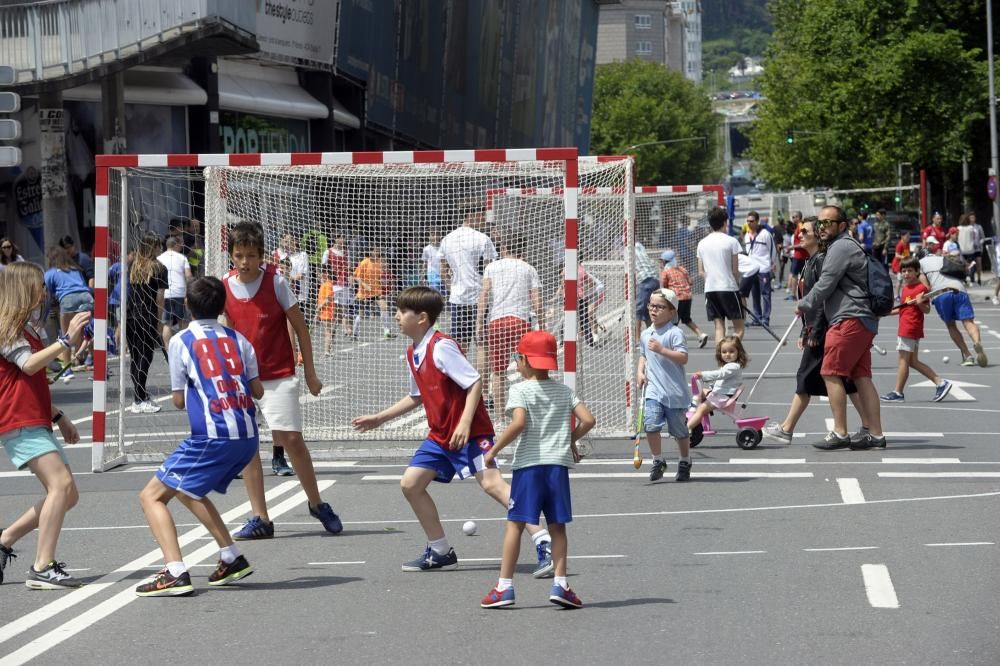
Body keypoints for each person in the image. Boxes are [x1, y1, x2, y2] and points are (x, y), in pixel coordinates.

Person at [352, 286, 554, 576]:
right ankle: (440, 551)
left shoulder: (442, 346)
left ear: (422, 318)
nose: (396, 316)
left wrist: (464, 422)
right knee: (411, 484)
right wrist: (379, 418)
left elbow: (474, 382)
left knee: (492, 485)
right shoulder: (413, 351)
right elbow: (416, 396)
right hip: (440, 435)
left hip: (470, 433)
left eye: (401, 312)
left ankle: (543, 541)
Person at [134, 277, 264, 597]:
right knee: (184, 489)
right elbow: (258, 390)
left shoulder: (181, 340)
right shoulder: (239, 339)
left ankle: (175, 570)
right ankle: (230, 555)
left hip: (213, 433)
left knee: (151, 496)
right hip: (248, 435)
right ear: (223, 307)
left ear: (187, 306)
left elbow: (178, 400)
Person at [222, 222, 343, 537]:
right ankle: (261, 518)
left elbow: (301, 328)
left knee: (291, 440)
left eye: (251, 255)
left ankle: (317, 503)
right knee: (248, 447)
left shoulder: (276, 283)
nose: (245, 261)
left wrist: (311, 373)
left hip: (278, 374)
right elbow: (223, 330)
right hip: (242, 379)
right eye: (239, 255)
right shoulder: (223, 286)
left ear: (262, 256)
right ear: (231, 256)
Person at [479, 330, 595, 610]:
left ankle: (504, 587)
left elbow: (518, 423)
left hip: (529, 467)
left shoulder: (520, 390)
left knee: (515, 525)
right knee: (558, 527)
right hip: (557, 467)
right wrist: (569, 440)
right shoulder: (564, 391)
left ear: (526, 361)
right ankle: (561, 583)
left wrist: (493, 451)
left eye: (518, 358)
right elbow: (589, 420)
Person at [0, 262, 89, 589]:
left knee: (68, 494)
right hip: (17, 419)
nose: (45, 293)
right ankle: (42, 566)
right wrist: (64, 341)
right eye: (39, 286)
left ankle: (5, 539)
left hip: (33, 417)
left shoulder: (28, 328)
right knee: (61, 486)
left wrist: (59, 416)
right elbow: (28, 365)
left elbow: (34, 381)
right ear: (23, 289)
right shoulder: (5, 327)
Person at [763, 217, 869, 445]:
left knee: (805, 378)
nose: (799, 235)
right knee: (845, 382)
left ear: (817, 237)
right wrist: (804, 330)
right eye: (799, 231)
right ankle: (869, 426)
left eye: (805, 231)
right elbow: (809, 302)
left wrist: (815, 332)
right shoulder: (809, 262)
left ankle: (786, 429)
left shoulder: (821, 261)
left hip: (824, 330)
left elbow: (823, 301)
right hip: (815, 329)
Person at [796, 206, 886, 451]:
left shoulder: (841, 247)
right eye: (821, 222)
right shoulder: (847, 246)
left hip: (849, 319)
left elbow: (825, 283)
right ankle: (875, 434)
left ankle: (840, 432)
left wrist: (803, 305)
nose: (823, 226)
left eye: (829, 222)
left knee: (830, 372)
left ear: (842, 225)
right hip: (861, 319)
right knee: (861, 377)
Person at [477, 234, 543, 422]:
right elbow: (537, 302)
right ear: (524, 250)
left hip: (496, 322)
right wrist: (542, 325)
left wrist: (479, 322)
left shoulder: (491, 267)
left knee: (498, 371)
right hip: (520, 322)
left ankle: (499, 417)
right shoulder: (529, 269)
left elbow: (484, 295)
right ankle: (526, 413)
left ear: (504, 247)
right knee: (528, 369)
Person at [439, 200, 497, 396]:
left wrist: (452, 286)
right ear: (471, 215)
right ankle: (483, 392)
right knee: (482, 344)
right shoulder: (482, 239)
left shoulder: (447, 239)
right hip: (480, 298)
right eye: (481, 215)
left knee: (461, 345)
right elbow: (490, 270)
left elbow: (443, 269)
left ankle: (463, 390)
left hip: (458, 298)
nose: (483, 219)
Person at [879, 257, 953, 403]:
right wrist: (884, 314)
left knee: (903, 361)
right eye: (904, 271)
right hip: (907, 326)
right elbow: (902, 310)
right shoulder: (906, 288)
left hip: (910, 328)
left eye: (910, 271)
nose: (906, 274)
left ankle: (898, 393)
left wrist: (920, 303)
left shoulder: (921, 289)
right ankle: (940, 383)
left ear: (917, 272)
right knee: (912, 361)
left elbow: (926, 310)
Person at [638, 288, 692, 482]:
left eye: (660, 307)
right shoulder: (646, 334)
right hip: (654, 389)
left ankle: (684, 460)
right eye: (652, 305)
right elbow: (644, 355)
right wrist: (640, 372)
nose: (654, 310)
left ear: (671, 311)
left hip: (675, 392)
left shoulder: (674, 333)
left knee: (679, 431)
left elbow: (683, 357)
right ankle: (658, 460)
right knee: (651, 425)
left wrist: (662, 349)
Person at [918, 250, 988, 368]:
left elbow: (926, 287)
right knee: (968, 322)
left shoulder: (920, 264)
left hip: (941, 294)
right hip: (959, 289)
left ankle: (968, 355)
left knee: (951, 325)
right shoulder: (943, 258)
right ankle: (977, 342)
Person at [125, 233, 167, 414]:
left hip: (130, 315)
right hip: (146, 315)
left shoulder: (134, 265)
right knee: (145, 356)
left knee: (136, 356)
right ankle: (139, 398)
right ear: (154, 247)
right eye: (159, 245)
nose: (161, 248)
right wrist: (157, 320)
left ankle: (139, 396)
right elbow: (160, 297)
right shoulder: (158, 267)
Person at [43, 246, 94, 378]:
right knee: (87, 332)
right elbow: (83, 285)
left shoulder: (51, 273)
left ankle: (67, 370)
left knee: (65, 336)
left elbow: (46, 296)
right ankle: (89, 358)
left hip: (68, 300)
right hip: (86, 297)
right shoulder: (75, 269)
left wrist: (45, 315)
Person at [697, 207, 745, 343]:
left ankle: (721, 358)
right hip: (729, 287)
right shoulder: (731, 241)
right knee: (739, 329)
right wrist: (738, 289)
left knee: (719, 328)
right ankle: (731, 354)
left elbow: (701, 272)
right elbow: (735, 270)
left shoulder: (702, 243)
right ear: (725, 222)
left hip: (710, 289)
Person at [686, 335, 747, 432]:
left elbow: (720, 374)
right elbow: (722, 381)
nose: (727, 354)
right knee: (701, 392)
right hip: (720, 394)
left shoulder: (733, 367)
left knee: (701, 409)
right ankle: (695, 409)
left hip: (722, 397)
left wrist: (703, 375)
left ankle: (686, 429)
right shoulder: (729, 366)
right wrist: (710, 384)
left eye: (731, 351)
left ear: (738, 352)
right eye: (724, 352)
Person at [660, 249, 708, 347]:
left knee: (673, 322)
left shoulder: (665, 272)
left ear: (665, 262)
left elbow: (663, 286)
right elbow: (690, 282)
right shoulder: (682, 269)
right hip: (687, 297)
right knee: (686, 319)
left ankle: (672, 342)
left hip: (676, 299)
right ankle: (701, 334)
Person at [157, 235, 192, 352]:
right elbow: (188, 276)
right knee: (183, 321)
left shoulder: (159, 258)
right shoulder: (182, 258)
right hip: (180, 292)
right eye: (180, 244)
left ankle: (167, 348)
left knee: (167, 322)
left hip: (165, 293)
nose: (181, 247)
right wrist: (190, 291)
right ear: (175, 245)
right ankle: (184, 346)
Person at [352, 246, 396, 339]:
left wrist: (384, 281)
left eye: (378, 250)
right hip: (364, 293)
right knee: (361, 314)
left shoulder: (379, 263)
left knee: (385, 308)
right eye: (375, 250)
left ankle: (387, 331)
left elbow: (380, 275)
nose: (377, 252)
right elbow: (356, 277)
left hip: (376, 291)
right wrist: (365, 285)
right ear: (371, 251)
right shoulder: (364, 262)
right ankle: (354, 333)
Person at [742, 211, 774, 326]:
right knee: (755, 294)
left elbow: (772, 250)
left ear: (757, 221)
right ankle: (757, 317)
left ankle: (765, 318)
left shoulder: (765, 234)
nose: (749, 223)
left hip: (763, 268)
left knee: (765, 294)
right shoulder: (747, 235)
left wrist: (771, 265)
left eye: (752, 221)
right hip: (752, 269)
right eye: (748, 221)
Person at [323, 234, 355, 339]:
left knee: (344, 308)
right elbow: (323, 267)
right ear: (335, 239)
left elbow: (349, 267)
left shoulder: (346, 252)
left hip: (344, 282)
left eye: (343, 237)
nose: (342, 239)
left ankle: (346, 330)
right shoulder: (328, 252)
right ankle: (334, 332)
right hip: (333, 283)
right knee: (335, 309)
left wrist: (350, 277)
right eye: (339, 237)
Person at [632, 239, 660, 338]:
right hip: (655, 280)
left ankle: (637, 338)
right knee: (647, 311)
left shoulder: (629, 250)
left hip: (645, 280)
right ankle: (651, 335)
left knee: (638, 311)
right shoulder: (639, 245)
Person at [785, 212, 807, 300]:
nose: (794, 219)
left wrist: (791, 247)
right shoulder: (798, 226)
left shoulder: (801, 226)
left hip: (800, 255)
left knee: (795, 275)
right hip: (799, 255)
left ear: (800, 217)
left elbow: (803, 242)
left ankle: (793, 294)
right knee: (801, 275)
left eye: (796, 217)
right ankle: (798, 294)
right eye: (793, 217)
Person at [315, 266, 336, 355]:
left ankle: (327, 351)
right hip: (323, 311)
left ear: (325, 274)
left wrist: (319, 307)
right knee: (328, 331)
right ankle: (328, 350)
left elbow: (328, 299)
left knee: (328, 331)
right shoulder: (324, 284)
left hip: (327, 312)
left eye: (319, 273)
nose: (318, 275)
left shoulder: (328, 284)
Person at [422, 229, 445, 295]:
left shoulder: (443, 247)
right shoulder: (426, 249)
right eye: (432, 235)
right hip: (432, 275)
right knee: (435, 294)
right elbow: (425, 263)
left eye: (437, 234)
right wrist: (423, 275)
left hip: (443, 273)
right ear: (429, 237)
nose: (435, 237)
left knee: (445, 293)